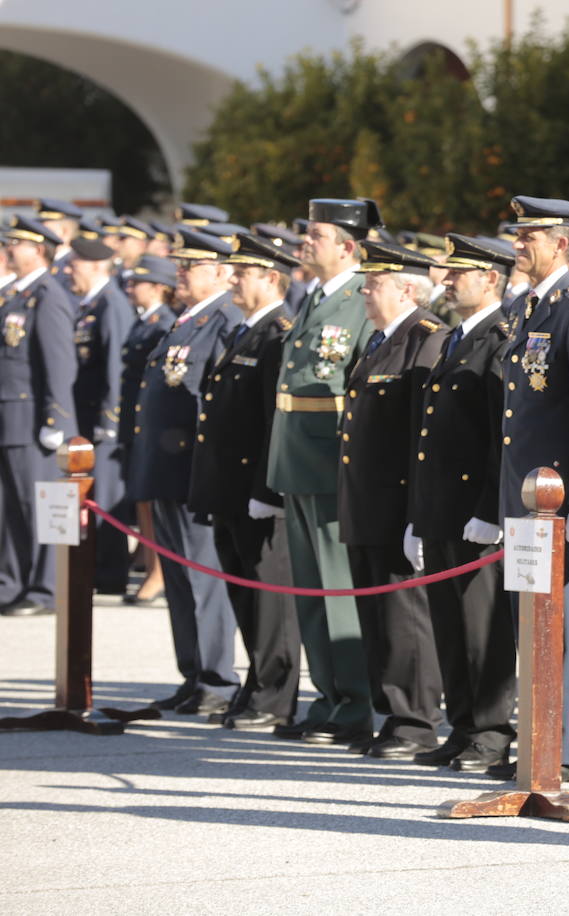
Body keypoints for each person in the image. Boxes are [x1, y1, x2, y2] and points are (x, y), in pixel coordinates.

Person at [265, 198, 379, 747]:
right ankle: (328, 695)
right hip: (297, 459)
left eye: (317, 235)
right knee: (309, 589)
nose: (305, 243)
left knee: (337, 587)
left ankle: (355, 702)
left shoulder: (361, 299)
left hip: (332, 462)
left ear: (349, 247)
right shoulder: (314, 296)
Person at [496, 195, 569, 784]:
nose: (518, 243)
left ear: (561, 243)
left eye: (529, 235)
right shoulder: (532, 306)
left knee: (562, 624)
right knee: (530, 624)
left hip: (559, 501)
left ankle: (568, 748)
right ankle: (539, 739)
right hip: (527, 499)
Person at [338, 240, 448, 760]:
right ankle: (391, 714)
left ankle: (416, 720)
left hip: (396, 504)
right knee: (377, 615)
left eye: (375, 283)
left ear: (407, 289)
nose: (365, 290)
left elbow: (420, 438)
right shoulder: (383, 340)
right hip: (366, 505)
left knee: (405, 618)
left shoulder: (424, 339)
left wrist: (416, 515)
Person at [409, 233, 514, 771]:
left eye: (459, 273)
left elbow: (503, 433)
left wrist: (492, 510)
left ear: (490, 279)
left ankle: (493, 732)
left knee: (482, 628)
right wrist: (418, 515)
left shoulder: (500, 338)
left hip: (474, 509)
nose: (447, 280)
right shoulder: (455, 338)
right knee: (449, 624)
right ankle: (463, 726)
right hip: (441, 507)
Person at [185, 233, 299, 730]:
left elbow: (276, 422)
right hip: (230, 491)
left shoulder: (278, 333)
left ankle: (274, 692)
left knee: (268, 595)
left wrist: (266, 491)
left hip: (255, 491)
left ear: (271, 278)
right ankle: (256, 683)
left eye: (243, 271)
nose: (232, 278)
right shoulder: (246, 332)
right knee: (243, 591)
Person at [126, 228, 242, 714]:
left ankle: (217, 680)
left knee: (203, 579)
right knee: (177, 578)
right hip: (168, 471)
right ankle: (193, 674)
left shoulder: (224, 321)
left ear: (220, 272)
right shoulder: (184, 321)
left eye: (190, 266)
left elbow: (221, 406)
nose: (180, 272)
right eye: (180, 264)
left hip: (195, 472)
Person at [0, 216, 78, 618]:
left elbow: (59, 364)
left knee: (40, 506)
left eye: (18, 243)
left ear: (39, 250)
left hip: (34, 421)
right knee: (12, 506)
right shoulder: (15, 294)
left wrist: (58, 419)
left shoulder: (47, 295)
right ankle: (13, 581)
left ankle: (44, 587)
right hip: (11, 418)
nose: (10, 248)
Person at [68, 237, 136, 595]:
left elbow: (115, 369)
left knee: (107, 497)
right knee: (93, 498)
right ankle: (98, 569)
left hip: (102, 422)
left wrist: (109, 422)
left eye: (75, 263)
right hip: (87, 418)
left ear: (96, 266)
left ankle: (111, 574)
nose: (68, 269)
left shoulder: (111, 303)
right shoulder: (91, 303)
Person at [118, 255, 177, 605]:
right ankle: (148, 558)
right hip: (136, 417)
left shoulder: (163, 323)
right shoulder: (144, 322)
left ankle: (158, 571)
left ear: (157, 287)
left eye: (137, 282)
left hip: (155, 424)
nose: (130, 287)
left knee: (151, 499)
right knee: (141, 494)